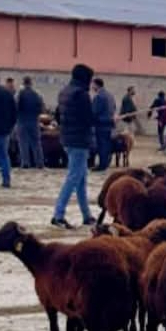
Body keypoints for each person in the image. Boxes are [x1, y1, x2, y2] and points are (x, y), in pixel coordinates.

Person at [51, 64, 96, 230]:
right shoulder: (82, 95)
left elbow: (58, 115)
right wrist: (109, 120)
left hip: (68, 139)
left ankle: (87, 215)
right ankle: (58, 215)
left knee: (81, 178)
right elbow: (88, 119)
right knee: (73, 177)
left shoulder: (65, 92)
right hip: (79, 141)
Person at [15, 76, 45, 169]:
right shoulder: (37, 94)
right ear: (31, 83)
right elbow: (41, 108)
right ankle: (39, 162)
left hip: (22, 120)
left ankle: (25, 162)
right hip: (34, 120)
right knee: (36, 142)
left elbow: (15, 106)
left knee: (23, 142)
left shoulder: (19, 94)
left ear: (23, 83)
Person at [90, 77, 116, 171]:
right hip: (109, 123)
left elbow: (94, 111)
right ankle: (105, 163)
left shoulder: (99, 96)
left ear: (97, 85)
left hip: (101, 124)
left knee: (101, 144)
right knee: (107, 144)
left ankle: (102, 165)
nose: (92, 87)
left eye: (93, 84)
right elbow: (114, 108)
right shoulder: (110, 95)